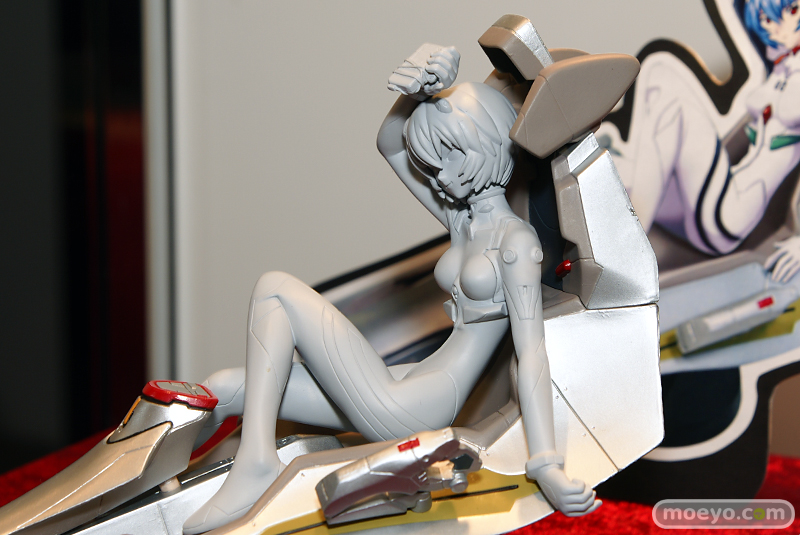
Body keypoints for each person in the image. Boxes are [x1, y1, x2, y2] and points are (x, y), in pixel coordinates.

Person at [183, 46, 598, 534]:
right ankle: (178, 486)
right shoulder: (463, 221)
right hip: (406, 380)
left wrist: (545, 462)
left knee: (274, 291)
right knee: (228, 386)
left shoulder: (517, 243)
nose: (439, 179)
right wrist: (420, 92)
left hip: (419, 405)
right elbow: (391, 145)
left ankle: (256, 463)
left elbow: (532, 354)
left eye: (448, 158)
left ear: (485, 144)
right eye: (432, 165)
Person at [598, 0, 800, 280]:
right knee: (625, 164)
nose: (772, 27)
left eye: (792, 11)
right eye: (765, 17)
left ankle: (624, 250)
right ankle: (617, 234)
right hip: (710, 201)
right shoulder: (780, 70)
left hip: (729, 216)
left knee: (663, 70)